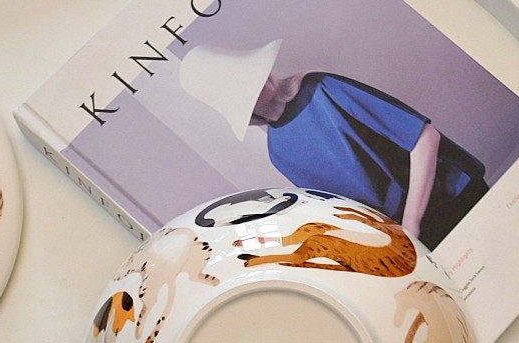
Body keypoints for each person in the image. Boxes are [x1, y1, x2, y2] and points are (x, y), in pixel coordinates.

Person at [179, 41, 488, 250]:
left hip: (453, 199)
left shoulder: (321, 88)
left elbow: (424, 138)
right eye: (245, 84)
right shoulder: (279, 153)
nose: (260, 80)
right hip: (415, 240)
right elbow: (353, 214)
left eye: (252, 70)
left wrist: (411, 225)